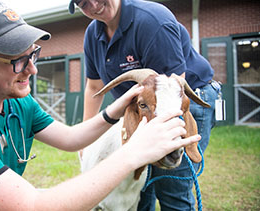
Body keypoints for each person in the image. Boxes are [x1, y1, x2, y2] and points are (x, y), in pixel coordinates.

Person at [0, 0, 201, 210]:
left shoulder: (15, 100)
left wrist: (112, 111)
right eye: (18, 61)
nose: (32, 70)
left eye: (34, 54)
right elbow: (31, 207)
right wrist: (134, 153)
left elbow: (69, 138)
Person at [69, 0, 219, 210]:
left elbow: (172, 90)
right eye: (83, 3)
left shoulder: (152, 21)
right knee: (139, 184)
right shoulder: (93, 35)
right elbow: (94, 87)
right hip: (143, 109)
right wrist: (87, 139)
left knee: (170, 185)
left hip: (184, 99)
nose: (94, 4)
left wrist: (165, 143)